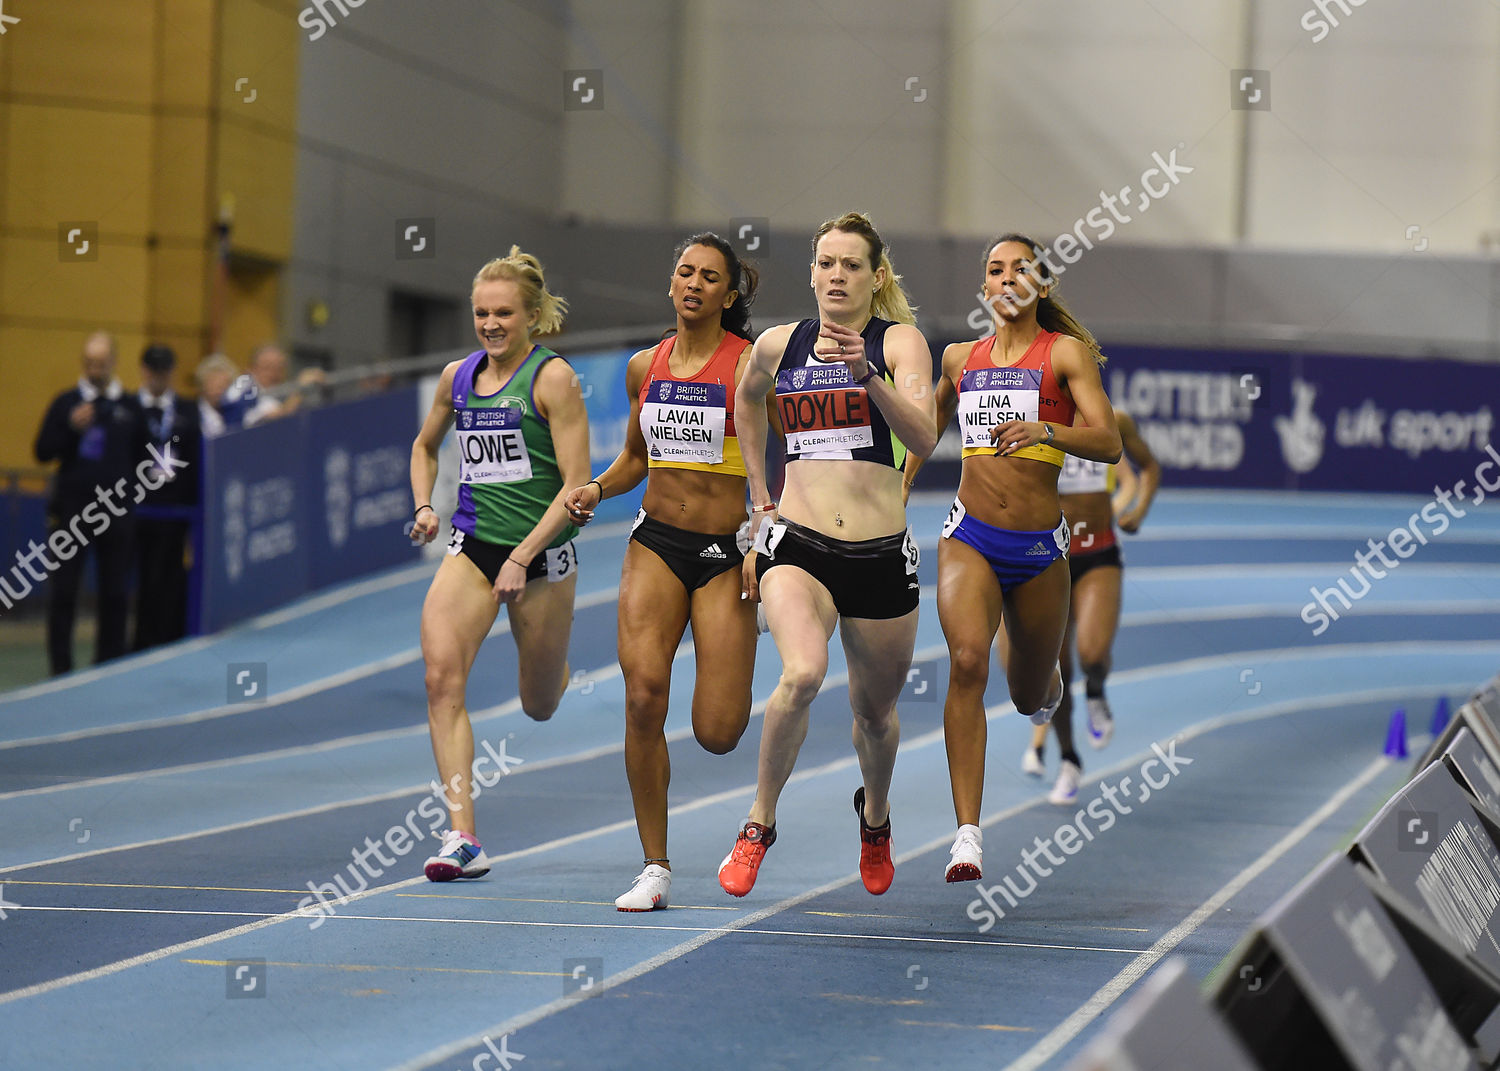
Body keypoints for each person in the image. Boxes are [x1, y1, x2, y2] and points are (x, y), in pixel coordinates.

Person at [718, 212, 936, 898]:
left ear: (876, 277)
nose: (836, 274)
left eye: (851, 264)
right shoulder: (780, 345)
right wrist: (760, 496)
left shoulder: (899, 343)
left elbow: (925, 435)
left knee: (874, 714)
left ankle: (875, 815)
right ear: (812, 272)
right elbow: (745, 403)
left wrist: (868, 374)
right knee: (803, 673)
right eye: (826, 263)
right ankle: (758, 822)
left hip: (879, 555)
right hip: (801, 545)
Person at [909, 233, 1120, 883]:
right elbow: (923, 432)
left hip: (1037, 550)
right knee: (968, 660)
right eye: (995, 271)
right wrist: (895, 493)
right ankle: (967, 835)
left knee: (1031, 691)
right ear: (984, 289)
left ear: (1042, 285)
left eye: (1020, 270)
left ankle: (1046, 686)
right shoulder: (957, 360)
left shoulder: (1066, 355)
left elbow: (1109, 440)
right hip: (968, 536)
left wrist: (1046, 429)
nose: (1006, 280)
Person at [563, 233, 765, 912]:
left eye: (711, 277)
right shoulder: (644, 365)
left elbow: (783, 464)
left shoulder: (747, 368)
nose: (695, 283)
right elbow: (633, 459)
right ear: (671, 283)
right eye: (685, 271)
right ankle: (655, 865)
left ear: (729, 294)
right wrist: (596, 487)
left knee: (717, 730)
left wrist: (769, 538)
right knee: (644, 697)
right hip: (655, 541)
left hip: (722, 553)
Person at [408, 247, 589, 882]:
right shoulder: (457, 378)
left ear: (533, 316)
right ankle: (464, 837)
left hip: (541, 557)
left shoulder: (553, 379)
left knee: (538, 703)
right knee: (440, 680)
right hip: (472, 548)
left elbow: (575, 488)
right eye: (482, 313)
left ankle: (555, 668)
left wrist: (523, 556)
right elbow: (424, 445)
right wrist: (425, 505)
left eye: (504, 314)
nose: (490, 325)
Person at [1020, 407, 1160, 804]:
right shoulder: (1031, 417)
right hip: (1049, 556)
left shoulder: (1113, 419)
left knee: (1093, 654)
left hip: (1098, 553)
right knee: (1057, 671)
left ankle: (1097, 689)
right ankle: (1068, 759)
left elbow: (1149, 467)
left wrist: (1139, 510)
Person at [32, 331, 146, 675]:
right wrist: (70, 428)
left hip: (116, 511)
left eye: (102, 363)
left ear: (113, 361)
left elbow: (146, 456)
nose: (96, 370)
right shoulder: (66, 402)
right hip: (71, 511)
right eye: (90, 363)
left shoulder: (130, 406)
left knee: (114, 592)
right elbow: (42, 451)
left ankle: (108, 665)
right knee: (64, 591)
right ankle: (61, 669)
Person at [133, 344, 201, 650]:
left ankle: (167, 638)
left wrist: (193, 503)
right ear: (144, 370)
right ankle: (138, 641)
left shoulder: (187, 411)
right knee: (138, 577)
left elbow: (196, 459)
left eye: (164, 370)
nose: (159, 376)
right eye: (153, 370)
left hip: (174, 510)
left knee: (170, 575)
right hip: (135, 508)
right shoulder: (129, 407)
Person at [243, 343, 326, 426]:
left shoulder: (283, 394)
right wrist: (301, 390)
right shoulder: (246, 393)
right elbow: (275, 422)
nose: (274, 374)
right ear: (252, 369)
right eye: (267, 367)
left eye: (279, 368)